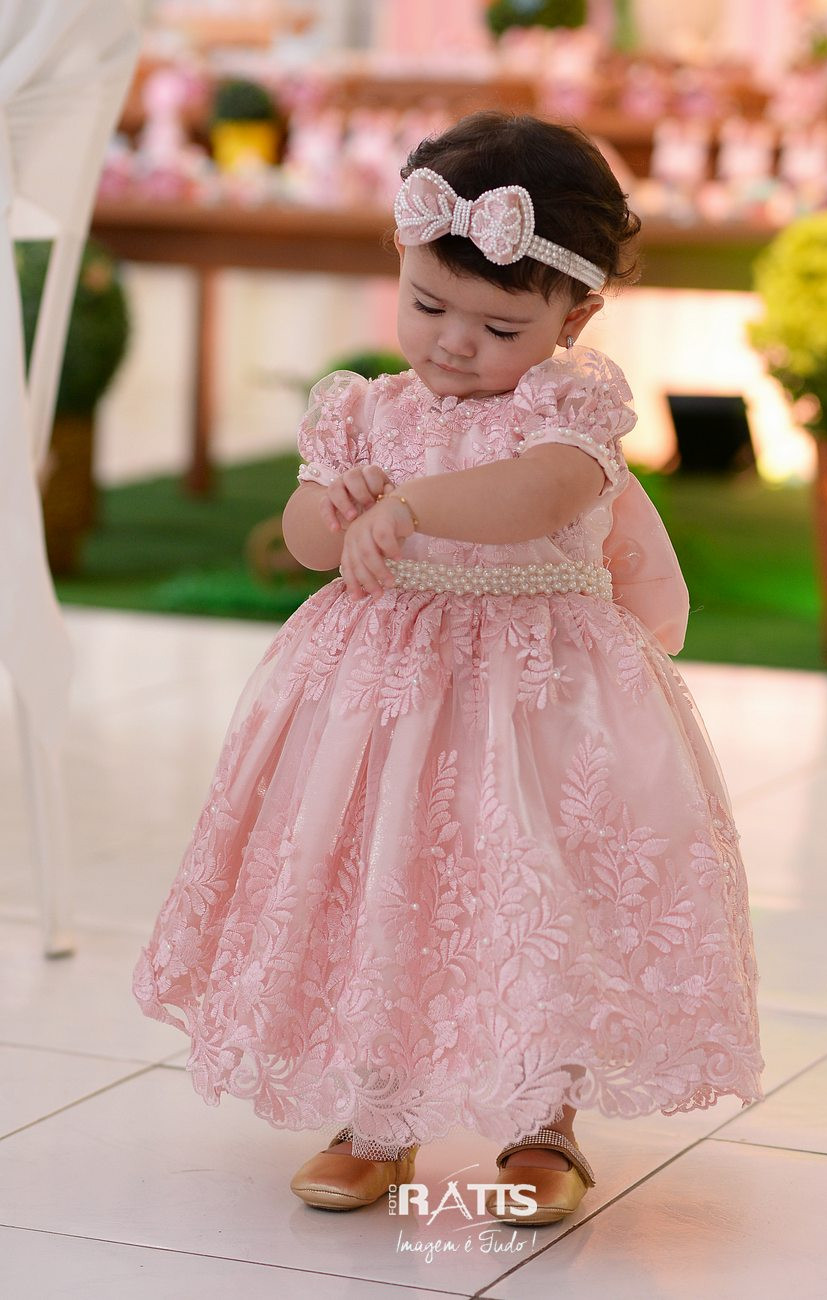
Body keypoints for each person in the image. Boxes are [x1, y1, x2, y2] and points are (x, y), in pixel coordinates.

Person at [133, 111, 764, 1227]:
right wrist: (334, 509)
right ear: (400, 262)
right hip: (386, 706)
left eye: (498, 324)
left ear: (575, 315)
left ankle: (541, 1120)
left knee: (538, 894)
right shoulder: (365, 411)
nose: (454, 344)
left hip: (539, 699)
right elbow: (307, 537)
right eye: (427, 305)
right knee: (381, 885)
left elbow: (545, 493)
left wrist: (414, 505)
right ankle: (376, 1113)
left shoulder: (567, 409)